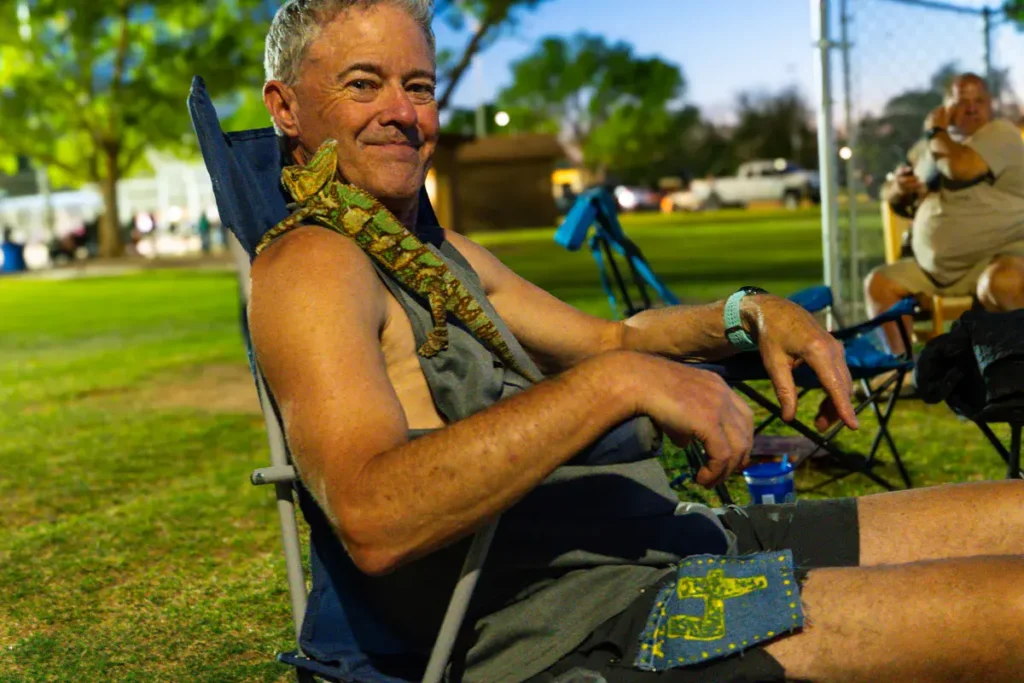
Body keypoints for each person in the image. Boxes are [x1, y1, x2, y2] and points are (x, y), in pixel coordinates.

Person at [250, 3, 1024, 681]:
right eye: (362, 83)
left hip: (652, 543)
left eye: (417, 85)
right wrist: (615, 383)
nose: (403, 111)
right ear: (286, 107)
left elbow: (614, 334)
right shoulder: (313, 264)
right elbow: (372, 514)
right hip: (585, 622)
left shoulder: (431, 250)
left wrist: (743, 310)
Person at [866, 73, 1024, 356]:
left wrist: (934, 131)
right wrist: (899, 190)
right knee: (880, 284)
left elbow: (959, 167)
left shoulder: (1001, 133)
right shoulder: (930, 148)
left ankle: (1012, 369)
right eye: (962, 102)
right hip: (935, 270)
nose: (972, 108)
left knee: (1002, 283)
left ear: (991, 105)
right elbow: (890, 193)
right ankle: (899, 369)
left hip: (999, 256)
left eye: (980, 101)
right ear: (946, 107)